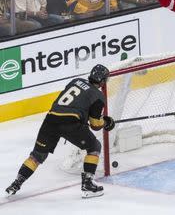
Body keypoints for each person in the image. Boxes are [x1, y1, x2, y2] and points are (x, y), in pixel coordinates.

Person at [5, 64, 115, 198]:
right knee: (94, 147)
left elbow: (72, 103)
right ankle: (88, 185)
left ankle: (16, 183)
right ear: (102, 81)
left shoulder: (76, 81)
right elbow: (95, 124)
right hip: (70, 124)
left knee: (37, 156)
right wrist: (107, 122)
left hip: (50, 120)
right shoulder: (98, 96)